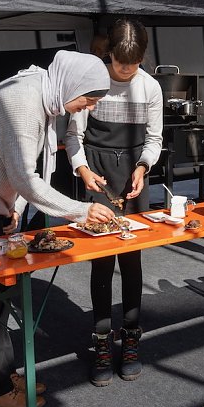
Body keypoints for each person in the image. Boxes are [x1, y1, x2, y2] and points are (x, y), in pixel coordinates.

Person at [0, 51, 114, 407]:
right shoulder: (22, 100)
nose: (87, 109)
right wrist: (81, 210)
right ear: (73, 84)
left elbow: (21, 167)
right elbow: (25, 177)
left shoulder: (42, 96)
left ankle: (0, 374)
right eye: (88, 100)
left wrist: (14, 209)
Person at [65, 19, 163, 387]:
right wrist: (82, 169)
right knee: (102, 260)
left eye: (134, 64)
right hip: (97, 173)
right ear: (109, 54)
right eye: (121, 64)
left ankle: (132, 337)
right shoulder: (92, 81)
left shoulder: (151, 87)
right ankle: (102, 341)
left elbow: (155, 138)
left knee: (133, 257)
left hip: (134, 175)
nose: (126, 70)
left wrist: (143, 166)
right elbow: (73, 137)